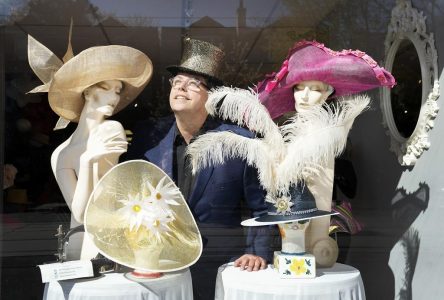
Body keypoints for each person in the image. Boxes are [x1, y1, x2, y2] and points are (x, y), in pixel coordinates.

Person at [127, 37, 269, 299]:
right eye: (177, 82)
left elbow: (261, 206)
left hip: (221, 264)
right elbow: (128, 195)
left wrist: (256, 252)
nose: (181, 88)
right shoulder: (149, 137)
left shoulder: (238, 142)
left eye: (193, 84)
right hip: (159, 262)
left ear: (211, 96)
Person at [257, 40, 395, 266]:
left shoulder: (327, 137)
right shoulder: (289, 135)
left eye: (314, 89)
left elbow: (321, 191)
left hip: (314, 237)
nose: (304, 96)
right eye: (299, 88)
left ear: (326, 94)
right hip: (288, 232)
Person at [27, 35, 153, 260]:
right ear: (87, 92)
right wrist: (87, 162)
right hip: (78, 244)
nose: (115, 96)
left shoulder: (111, 130)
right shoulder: (60, 153)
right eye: (108, 88)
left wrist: (88, 163)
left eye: (118, 90)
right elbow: (80, 213)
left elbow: (101, 203)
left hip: (109, 241)